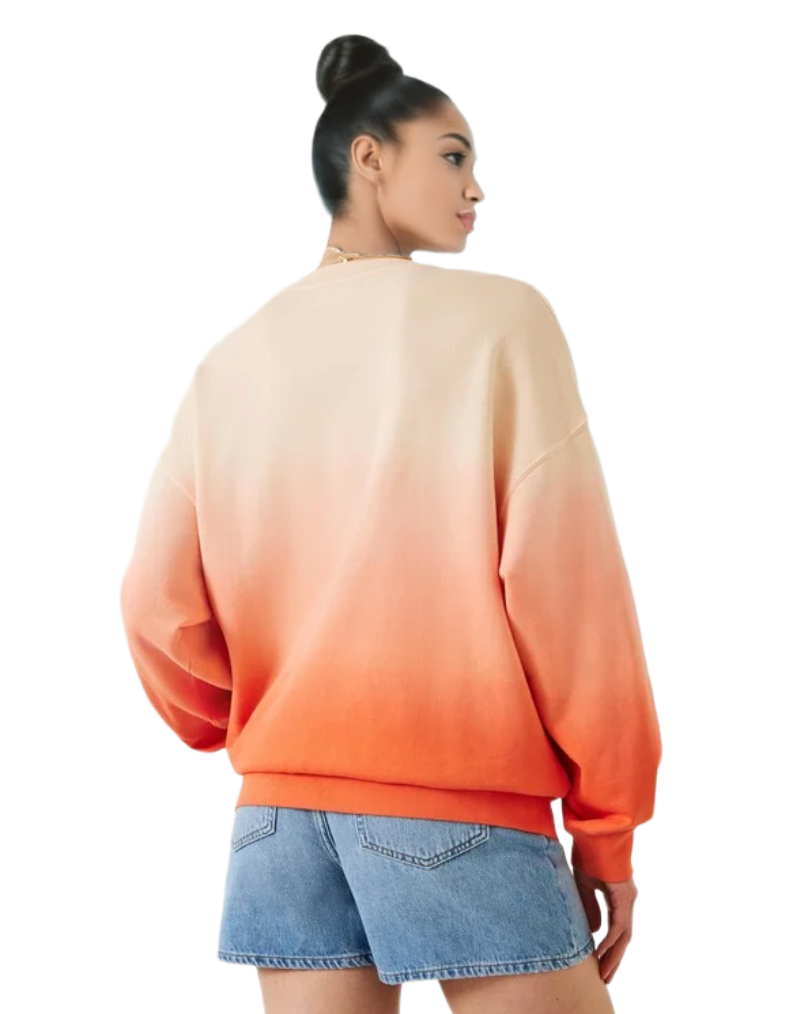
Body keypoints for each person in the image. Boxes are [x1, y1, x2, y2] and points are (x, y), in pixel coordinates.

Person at [119, 33, 662, 1014]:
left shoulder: (231, 363)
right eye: (452, 156)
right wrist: (609, 828)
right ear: (368, 157)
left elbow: (155, 608)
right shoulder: (503, 324)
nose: (476, 187)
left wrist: (272, 711)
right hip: (459, 808)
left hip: (279, 822)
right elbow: (574, 603)